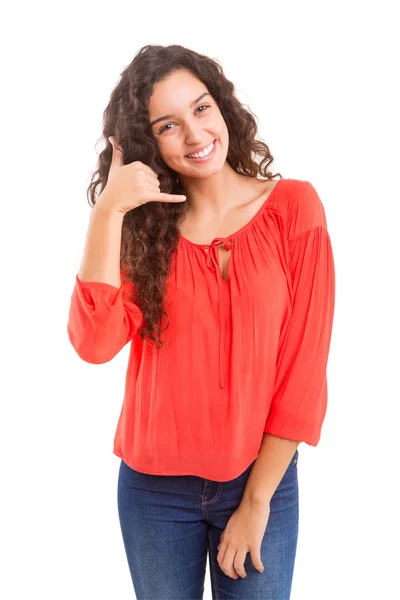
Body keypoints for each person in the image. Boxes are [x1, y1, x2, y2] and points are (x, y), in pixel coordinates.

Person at [67, 44, 335, 600]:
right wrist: (109, 210)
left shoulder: (294, 208)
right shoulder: (144, 236)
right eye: (168, 125)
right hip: (153, 494)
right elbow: (94, 343)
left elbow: (302, 374)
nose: (194, 135)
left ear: (223, 107)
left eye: (201, 108)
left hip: (260, 480)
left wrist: (257, 500)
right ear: (149, 145)